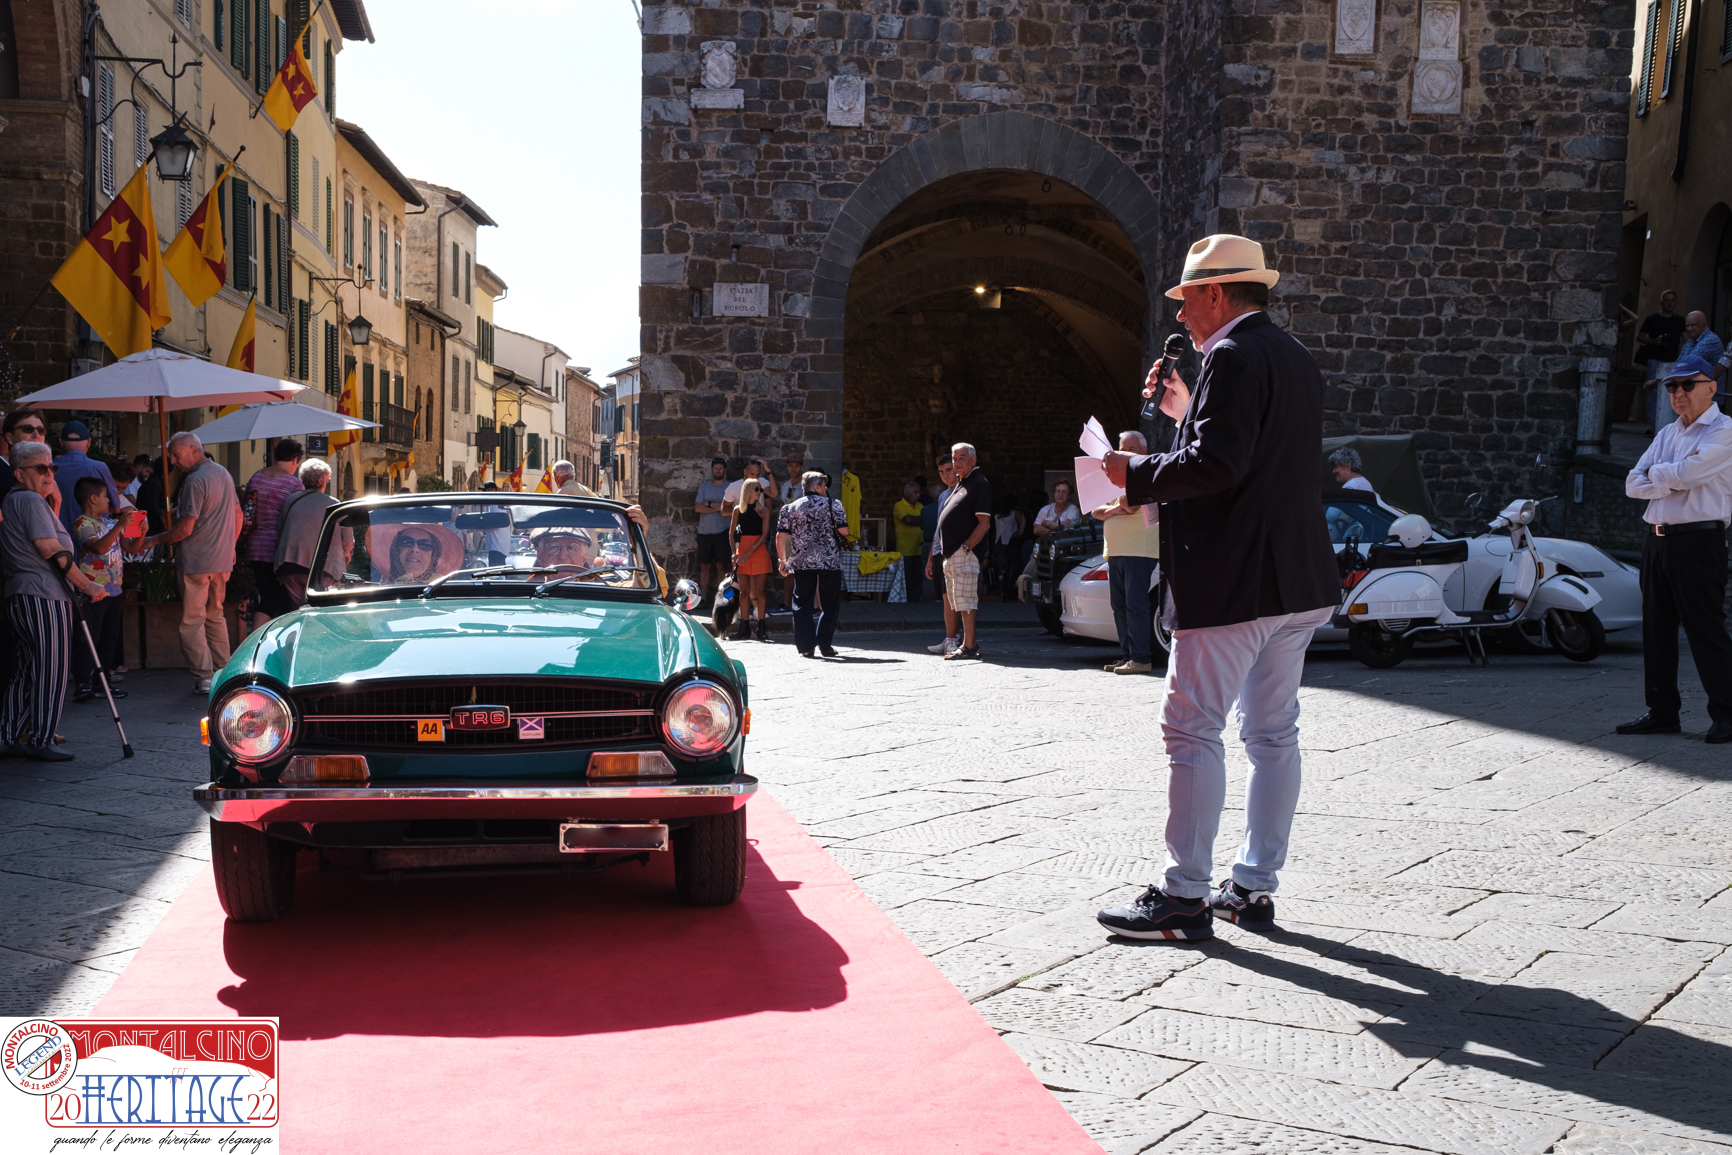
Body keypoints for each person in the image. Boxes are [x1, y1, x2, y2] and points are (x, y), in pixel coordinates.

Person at [1096, 233, 1338, 940]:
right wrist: (1184, 410)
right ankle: (1253, 886)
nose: (1180, 316)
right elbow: (1249, 452)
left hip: (1236, 577)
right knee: (1273, 733)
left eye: (1185, 300)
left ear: (1214, 293)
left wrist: (1134, 473)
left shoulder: (1230, 355)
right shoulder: (1293, 355)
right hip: (1295, 575)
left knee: (1191, 727)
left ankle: (1184, 894)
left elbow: (1218, 466)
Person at [1618, 355, 1732, 744]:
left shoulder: (1724, 431)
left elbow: (1689, 473)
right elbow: (1632, 483)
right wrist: (1670, 476)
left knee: (1706, 629)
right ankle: (1662, 712)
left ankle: (1727, 714)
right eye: (1671, 386)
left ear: (1711, 387)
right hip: (1657, 539)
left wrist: (1659, 474)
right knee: (1656, 629)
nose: (1678, 392)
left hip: (1698, 541)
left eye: (1687, 384)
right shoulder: (1668, 433)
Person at [1, 441, 111, 760]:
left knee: (28, 668)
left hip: (24, 593)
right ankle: (41, 738)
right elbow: (51, 550)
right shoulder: (30, 500)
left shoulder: (18, 500)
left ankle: (10, 734)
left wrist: (56, 503)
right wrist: (87, 585)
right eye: (41, 468)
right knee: (52, 668)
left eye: (52, 467)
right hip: (43, 593)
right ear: (19, 473)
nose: (49, 473)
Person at [136, 432, 242, 695]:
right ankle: (224, 671)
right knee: (215, 615)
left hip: (196, 561)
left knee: (192, 621)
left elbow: (184, 530)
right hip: (221, 561)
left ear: (194, 450)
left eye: (176, 454)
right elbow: (238, 514)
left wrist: (152, 540)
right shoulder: (223, 473)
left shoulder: (195, 480)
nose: (173, 461)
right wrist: (230, 546)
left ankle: (204, 677)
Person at [1093, 430, 1162, 675]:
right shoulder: (1117, 478)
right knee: (1120, 606)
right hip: (1116, 550)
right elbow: (1095, 511)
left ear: (1144, 451)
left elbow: (1130, 506)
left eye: (1131, 449)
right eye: (1122, 449)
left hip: (1138, 549)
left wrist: (1111, 508)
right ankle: (1128, 656)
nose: (1126, 453)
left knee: (1135, 605)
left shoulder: (1146, 474)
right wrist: (1115, 509)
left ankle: (1141, 658)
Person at [70, 476, 140, 701]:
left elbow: (131, 548)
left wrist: (140, 532)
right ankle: (83, 682)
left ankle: (103, 682)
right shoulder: (82, 523)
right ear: (93, 498)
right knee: (89, 637)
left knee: (109, 638)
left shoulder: (109, 523)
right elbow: (98, 548)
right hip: (92, 590)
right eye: (104, 496)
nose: (109, 500)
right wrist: (120, 525)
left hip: (115, 589)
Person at [775, 470, 850, 658]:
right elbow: (844, 531)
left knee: (802, 603)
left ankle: (806, 646)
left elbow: (780, 536)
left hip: (802, 561)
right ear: (816, 487)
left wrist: (782, 560)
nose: (825, 489)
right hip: (829, 561)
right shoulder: (833, 504)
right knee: (830, 603)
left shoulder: (790, 508)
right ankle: (825, 644)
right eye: (823, 485)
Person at [930, 442, 992, 661]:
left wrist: (965, 548)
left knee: (966, 601)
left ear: (973, 460)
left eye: (961, 458)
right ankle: (966, 644)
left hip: (964, 553)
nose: (957, 463)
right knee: (958, 600)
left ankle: (969, 645)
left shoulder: (979, 484)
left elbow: (984, 524)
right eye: (955, 458)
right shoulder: (962, 483)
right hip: (951, 553)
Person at [242, 438, 305, 629]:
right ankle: (263, 641)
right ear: (295, 459)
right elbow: (297, 521)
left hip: (255, 548)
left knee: (268, 596)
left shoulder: (257, 477)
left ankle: (264, 639)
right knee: (279, 601)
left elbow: (247, 510)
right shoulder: (294, 484)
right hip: (280, 551)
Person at [275, 458, 345, 603]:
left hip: (289, 566)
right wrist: (347, 553)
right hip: (323, 569)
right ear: (323, 481)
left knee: (301, 608)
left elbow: (280, 528)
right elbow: (348, 541)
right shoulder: (333, 504)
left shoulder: (290, 500)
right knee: (319, 608)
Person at [53, 419, 133, 533]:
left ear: (61, 442)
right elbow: (116, 508)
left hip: (57, 536)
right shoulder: (99, 468)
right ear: (89, 442)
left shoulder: (47, 469)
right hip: (94, 536)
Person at [729, 478, 774, 640]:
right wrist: (734, 553)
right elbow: (731, 533)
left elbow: (764, 535)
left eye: (760, 489)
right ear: (748, 490)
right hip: (743, 551)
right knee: (744, 592)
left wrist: (748, 552)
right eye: (757, 489)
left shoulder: (763, 511)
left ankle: (761, 628)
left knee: (761, 590)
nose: (759, 492)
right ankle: (744, 628)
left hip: (758, 550)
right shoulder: (737, 510)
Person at [924, 454, 960, 654]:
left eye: (948, 470)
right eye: (941, 472)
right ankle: (950, 637)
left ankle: (956, 638)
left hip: (955, 550)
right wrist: (930, 558)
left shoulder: (963, 492)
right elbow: (938, 529)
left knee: (957, 597)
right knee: (946, 597)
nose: (945, 475)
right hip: (940, 551)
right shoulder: (943, 496)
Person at [694, 456, 732, 606]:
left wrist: (709, 504)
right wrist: (719, 507)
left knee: (722, 566)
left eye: (720, 468)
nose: (718, 471)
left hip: (723, 532)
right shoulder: (704, 487)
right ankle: (703, 598)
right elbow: (698, 508)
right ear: (712, 470)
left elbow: (730, 510)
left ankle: (721, 598)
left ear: (725, 470)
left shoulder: (729, 487)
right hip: (704, 532)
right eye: (716, 468)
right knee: (704, 566)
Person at [893, 480, 926, 603]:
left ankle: (915, 600)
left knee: (918, 576)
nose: (918, 495)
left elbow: (924, 521)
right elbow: (907, 520)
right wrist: (920, 521)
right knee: (906, 577)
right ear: (907, 493)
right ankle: (905, 601)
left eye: (919, 492)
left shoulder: (920, 506)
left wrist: (916, 520)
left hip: (919, 548)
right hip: (905, 549)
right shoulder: (899, 506)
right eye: (915, 492)